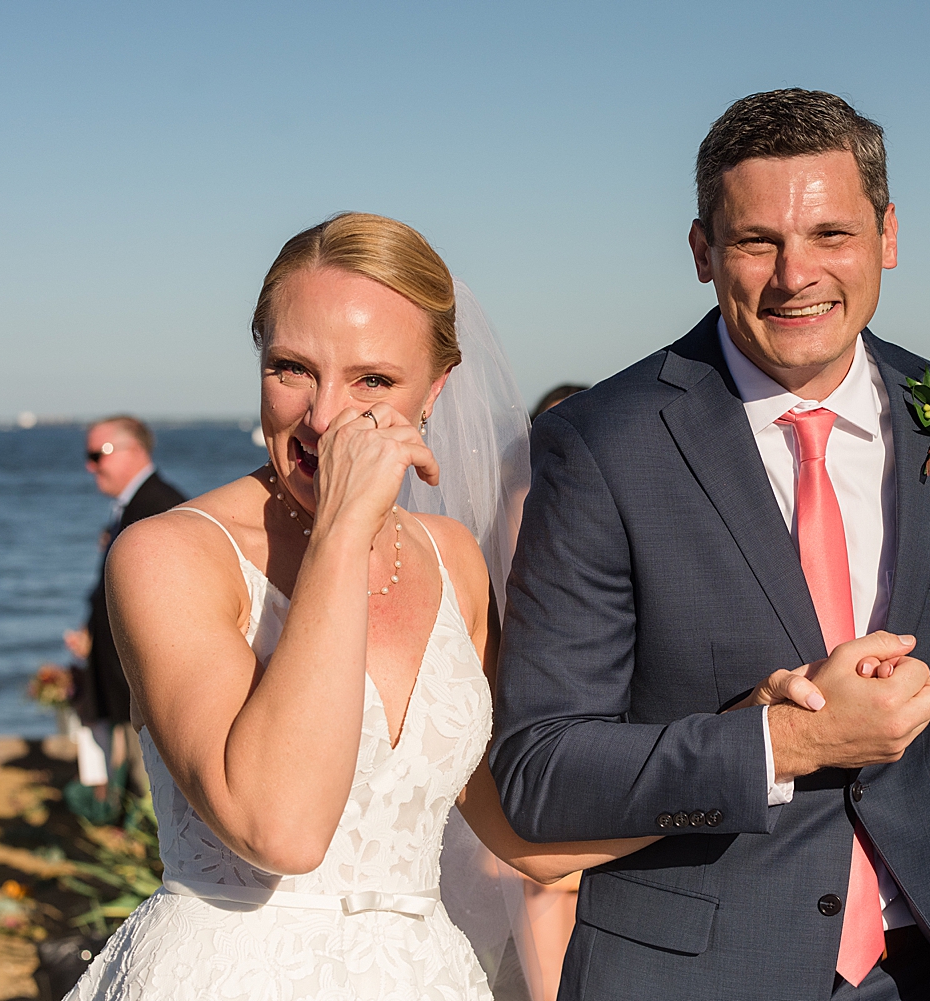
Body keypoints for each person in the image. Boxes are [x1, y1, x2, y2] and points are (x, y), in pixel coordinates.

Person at [492, 88, 930, 1001]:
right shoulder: (602, 443)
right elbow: (541, 772)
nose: (796, 275)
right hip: (694, 974)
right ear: (703, 252)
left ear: (888, 236)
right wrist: (780, 741)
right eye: (756, 242)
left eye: (831, 234)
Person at [65, 213, 659, 1000]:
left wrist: (764, 753)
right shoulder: (168, 554)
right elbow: (280, 826)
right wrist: (343, 529)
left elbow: (525, 837)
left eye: (372, 380)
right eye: (291, 368)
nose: (322, 417)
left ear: (435, 391)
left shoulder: (453, 560)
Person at [69, 416, 185, 797]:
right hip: (125, 682)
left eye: (97, 455)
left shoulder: (161, 507)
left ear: (134, 451)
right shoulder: (132, 506)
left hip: (146, 687)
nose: (89, 466)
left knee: (152, 787)